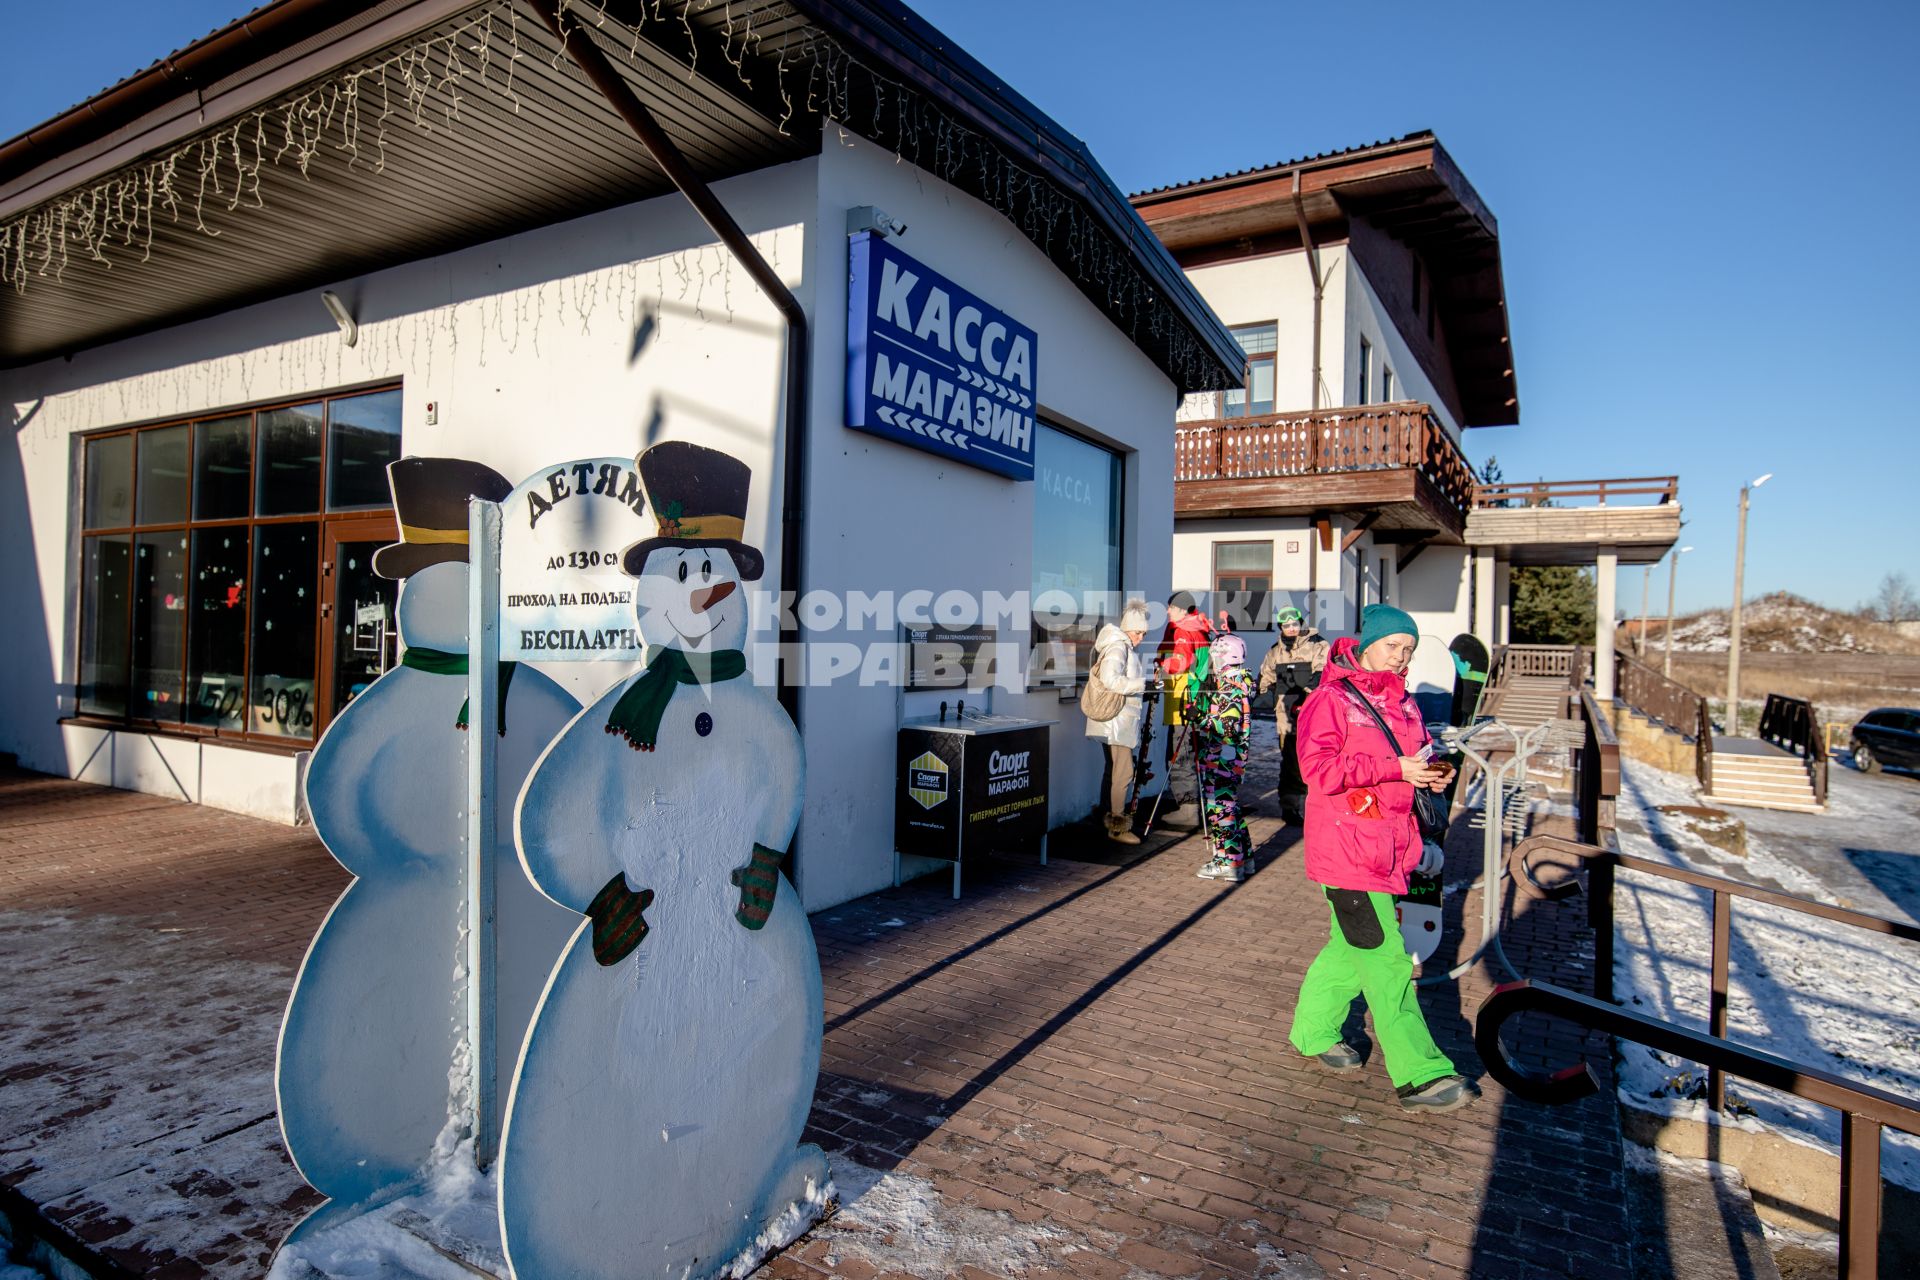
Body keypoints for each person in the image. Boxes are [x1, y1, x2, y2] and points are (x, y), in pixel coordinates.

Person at [1287, 604, 1470, 1112]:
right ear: (1367, 644)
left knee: (1348, 952)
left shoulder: (1404, 703)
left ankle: (1312, 1033)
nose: (1400, 656)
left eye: (1409, 649)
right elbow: (1317, 769)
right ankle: (1420, 1072)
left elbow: (1416, 758)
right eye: (1393, 645)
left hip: (1390, 849)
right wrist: (1396, 769)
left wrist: (1431, 773)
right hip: (1347, 851)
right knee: (1387, 960)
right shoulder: (1330, 699)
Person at [1087, 601, 1152, 846]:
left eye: (1144, 633)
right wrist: (1142, 685)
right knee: (1123, 772)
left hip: (1114, 720)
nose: (1141, 638)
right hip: (1118, 721)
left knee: (1112, 769)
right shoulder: (1118, 648)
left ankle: (1106, 816)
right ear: (1127, 630)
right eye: (1138, 632)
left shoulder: (1118, 645)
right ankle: (1116, 827)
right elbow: (1111, 680)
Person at [1257, 606, 1329, 825]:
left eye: (1294, 624)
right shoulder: (1275, 651)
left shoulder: (1318, 644)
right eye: (1286, 625)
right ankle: (1290, 807)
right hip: (1285, 717)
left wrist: (1306, 693)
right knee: (1290, 761)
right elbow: (1265, 678)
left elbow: (1324, 673)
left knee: (1315, 759)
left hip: (1313, 715)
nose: (1290, 629)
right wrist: (1265, 695)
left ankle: (1316, 808)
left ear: (1301, 624)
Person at [1195, 628, 1255, 881]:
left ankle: (1227, 861)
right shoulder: (1236, 684)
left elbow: (1226, 728)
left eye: (1214, 657)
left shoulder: (1229, 688)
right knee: (1231, 807)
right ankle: (1244, 857)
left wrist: (1202, 720)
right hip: (1229, 759)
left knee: (1221, 809)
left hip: (1223, 759)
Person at [1154, 591, 1213, 829]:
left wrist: (1161, 665)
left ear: (1181, 609)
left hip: (1184, 701)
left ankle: (1188, 810)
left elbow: (1180, 663)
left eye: (1171, 607)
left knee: (1181, 755)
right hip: (1199, 702)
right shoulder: (1200, 628)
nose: (1167, 611)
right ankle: (1201, 806)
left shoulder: (1183, 631)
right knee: (1195, 755)